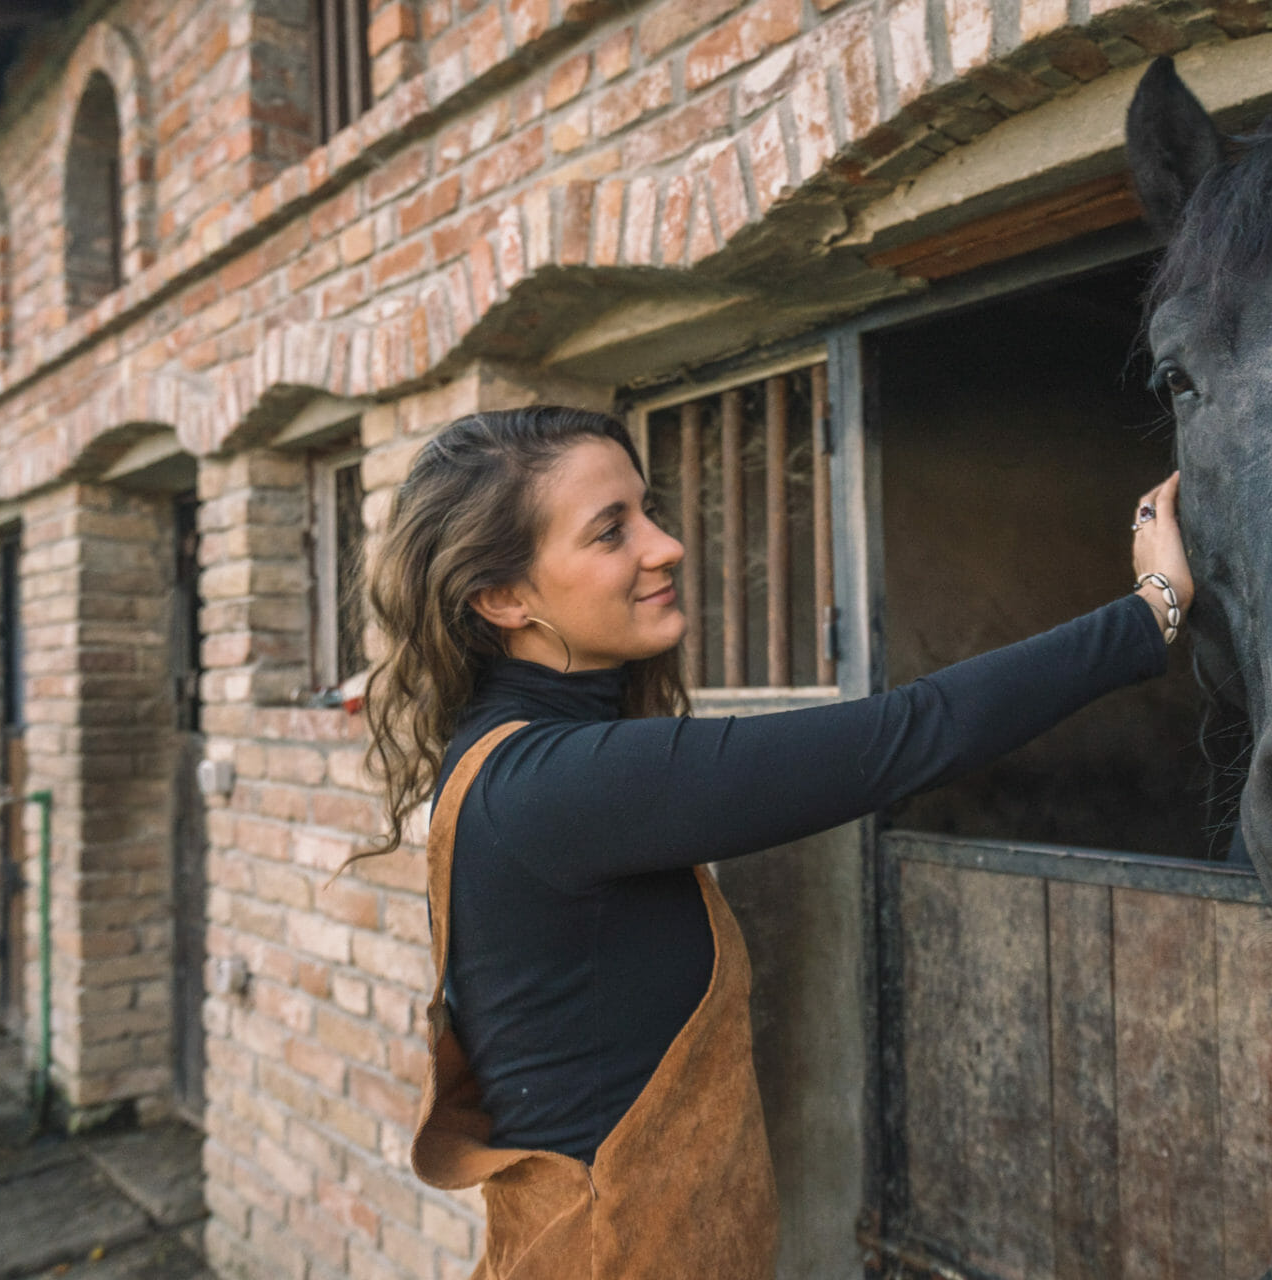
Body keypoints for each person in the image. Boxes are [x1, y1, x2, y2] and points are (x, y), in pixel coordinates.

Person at [357, 405, 1193, 1279]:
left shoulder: (515, 762)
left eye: (648, 510)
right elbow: (907, 735)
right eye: (612, 533)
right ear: (503, 597)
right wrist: (1154, 609)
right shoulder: (553, 784)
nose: (666, 545)